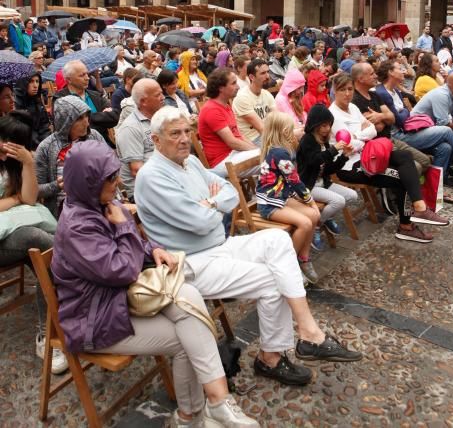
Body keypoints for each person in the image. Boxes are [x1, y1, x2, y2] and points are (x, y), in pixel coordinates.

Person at [135, 106, 363, 387]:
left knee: (278, 240)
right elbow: (200, 222)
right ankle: (271, 358)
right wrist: (214, 204)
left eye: (186, 131)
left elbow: (233, 192)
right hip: (190, 263)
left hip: (219, 244)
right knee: (272, 278)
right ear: (156, 140)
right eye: (175, 134)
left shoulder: (190, 162)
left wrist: (212, 203)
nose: (184, 139)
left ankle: (308, 331)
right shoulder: (152, 176)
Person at [52, 141, 258, 428]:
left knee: (189, 301)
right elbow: (122, 270)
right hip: (95, 319)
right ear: (88, 183)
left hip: (120, 301)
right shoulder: (77, 226)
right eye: (108, 178)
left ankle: (211, 405)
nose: (115, 182)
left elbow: (135, 247)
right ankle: (196, 414)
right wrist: (125, 227)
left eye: (114, 175)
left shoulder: (101, 204)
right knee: (190, 332)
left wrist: (153, 249)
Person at [329, 73, 449, 242]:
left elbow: (372, 130)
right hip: (350, 166)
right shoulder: (333, 115)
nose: (347, 93)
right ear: (335, 90)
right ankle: (406, 225)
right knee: (403, 178)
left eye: (350, 89)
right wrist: (363, 133)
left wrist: (360, 135)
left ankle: (419, 207)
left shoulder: (353, 108)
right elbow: (351, 145)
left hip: (368, 155)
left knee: (405, 156)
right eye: (342, 90)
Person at [0, 112, 67, 375]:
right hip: (9, 238)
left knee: (43, 257)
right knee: (36, 239)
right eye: (4, 141)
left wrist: (28, 163)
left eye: (14, 144)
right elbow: (24, 201)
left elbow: (28, 197)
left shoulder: (17, 164)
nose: (7, 149)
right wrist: (15, 200)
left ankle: (48, 334)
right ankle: (84, 270)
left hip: (14, 233)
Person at [375, 60, 453, 192]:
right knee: (448, 131)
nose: (404, 71)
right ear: (390, 72)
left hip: (411, 129)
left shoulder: (395, 91)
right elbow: (400, 120)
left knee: (445, 148)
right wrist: (404, 112)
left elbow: (406, 114)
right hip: (399, 136)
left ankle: (435, 185)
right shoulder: (383, 93)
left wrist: (404, 112)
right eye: (399, 68)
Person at [256, 111, 320, 283]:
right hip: (269, 204)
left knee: (314, 215)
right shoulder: (279, 154)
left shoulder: (282, 150)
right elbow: (295, 181)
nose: (295, 133)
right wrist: (310, 201)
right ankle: (287, 265)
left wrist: (309, 205)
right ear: (285, 132)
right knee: (305, 223)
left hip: (281, 197)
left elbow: (290, 183)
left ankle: (304, 258)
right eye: (292, 130)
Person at [351, 62, 431, 176]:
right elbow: (377, 128)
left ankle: (405, 185)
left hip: (390, 138)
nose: (375, 76)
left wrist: (380, 116)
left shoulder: (374, 95)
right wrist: (385, 118)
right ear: (361, 79)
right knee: (415, 167)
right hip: (376, 146)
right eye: (371, 74)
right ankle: (397, 190)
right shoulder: (355, 100)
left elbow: (392, 118)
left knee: (425, 161)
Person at [297, 104, 358, 242]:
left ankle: (324, 218)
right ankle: (317, 225)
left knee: (352, 195)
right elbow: (314, 161)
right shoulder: (307, 140)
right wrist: (333, 150)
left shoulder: (323, 142)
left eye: (329, 125)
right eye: (323, 125)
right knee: (338, 201)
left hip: (323, 183)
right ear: (315, 125)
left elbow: (329, 169)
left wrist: (344, 157)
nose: (327, 129)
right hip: (308, 186)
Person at [35, 95, 105, 217]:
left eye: (87, 116)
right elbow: (37, 190)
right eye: (79, 118)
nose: (86, 122)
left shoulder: (95, 137)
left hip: (99, 202)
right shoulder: (46, 147)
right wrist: (56, 185)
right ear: (65, 121)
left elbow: (112, 169)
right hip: (65, 211)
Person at [198, 68, 258, 177]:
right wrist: (258, 151)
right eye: (233, 83)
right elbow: (232, 142)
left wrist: (256, 149)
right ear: (221, 88)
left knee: (274, 154)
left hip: (234, 154)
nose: (238, 87)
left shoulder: (225, 105)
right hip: (223, 161)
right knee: (273, 157)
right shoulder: (212, 109)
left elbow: (239, 135)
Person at [116, 79, 165, 201]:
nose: (163, 97)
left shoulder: (161, 118)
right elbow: (137, 170)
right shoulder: (130, 128)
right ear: (143, 102)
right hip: (146, 191)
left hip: (167, 178)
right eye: (158, 95)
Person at [54, 60, 119, 143]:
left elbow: (114, 117)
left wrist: (83, 118)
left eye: (87, 74)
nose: (87, 78)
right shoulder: (60, 99)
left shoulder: (95, 95)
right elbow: (68, 126)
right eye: (82, 75)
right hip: (75, 147)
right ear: (69, 80)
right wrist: (101, 117)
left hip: (102, 144)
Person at [232, 59, 276, 145]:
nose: (267, 76)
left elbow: (277, 118)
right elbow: (261, 128)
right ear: (252, 77)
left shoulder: (266, 94)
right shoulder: (242, 97)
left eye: (268, 72)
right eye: (263, 73)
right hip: (253, 140)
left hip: (268, 133)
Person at [14, 73, 51, 149]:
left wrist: (45, 143)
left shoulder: (37, 100)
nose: (35, 85)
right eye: (31, 81)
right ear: (24, 83)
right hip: (23, 146)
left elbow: (44, 125)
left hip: (40, 145)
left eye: (37, 81)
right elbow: (21, 130)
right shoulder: (15, 102)